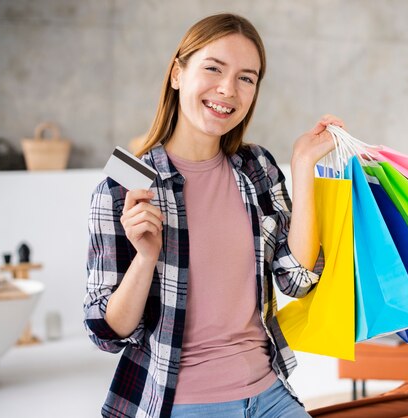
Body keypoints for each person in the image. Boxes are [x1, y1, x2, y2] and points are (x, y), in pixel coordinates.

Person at [84, 13, 344, 418]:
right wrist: (146, 256)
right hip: (184, 402)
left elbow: (296, 278)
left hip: (270, 394)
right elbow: (107, 333)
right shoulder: (122, 189)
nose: (228, 89)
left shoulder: (257, 168)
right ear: (176, 74)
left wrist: (302, 166)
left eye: (246, 77)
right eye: (213, 68)